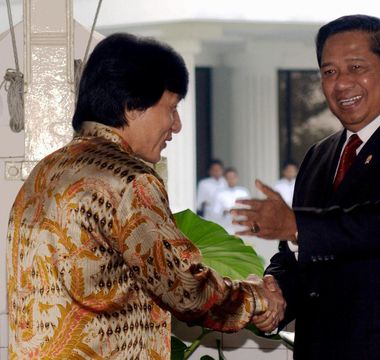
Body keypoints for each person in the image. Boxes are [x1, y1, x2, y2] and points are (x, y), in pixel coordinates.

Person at [6, 33, 285, 359]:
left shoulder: (46, 171)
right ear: (132, 106)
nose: (177, 125)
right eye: (172, 107)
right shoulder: (129, 181)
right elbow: (186, 289)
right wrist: (256, 298)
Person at [233, 14, 380, 359]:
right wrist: (277, 292)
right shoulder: (320, 155)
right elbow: (307, 256)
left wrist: (295, 225)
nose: (342, 83)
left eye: (356, 67)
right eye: (329, 72)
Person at [212, 167, 251, 233]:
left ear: (237, 178)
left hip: (241, 224)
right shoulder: (220, 193)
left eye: (233, 177)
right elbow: (215, 212)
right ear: (225, 179)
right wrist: (225, 211)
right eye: (229, 178)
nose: (231, 180)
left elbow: (250, 208)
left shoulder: (243, 192)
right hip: (226, 224)